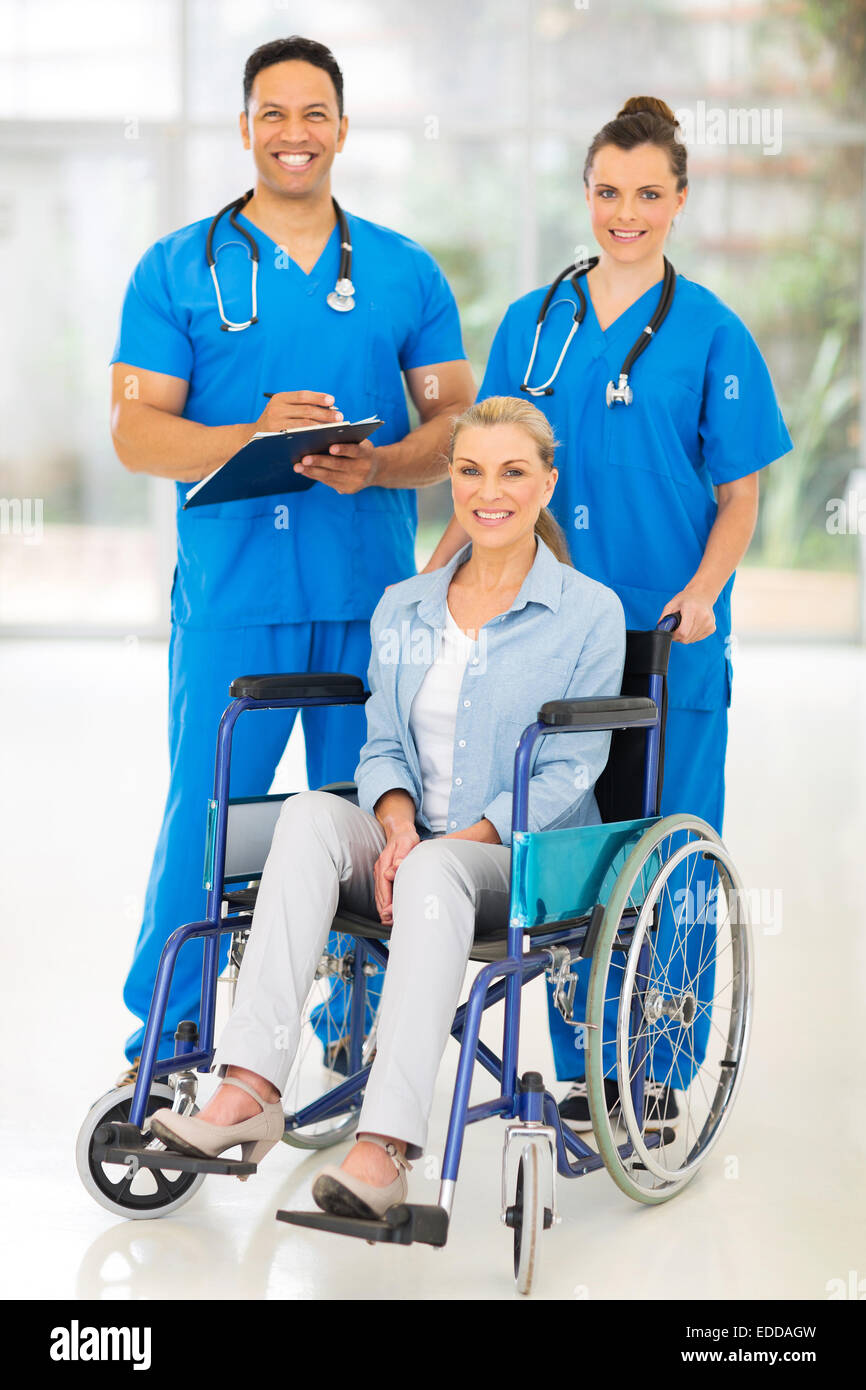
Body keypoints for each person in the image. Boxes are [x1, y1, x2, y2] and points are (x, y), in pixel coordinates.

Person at [146, 396, 626, 1215]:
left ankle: (387, 1144)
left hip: (517, 861)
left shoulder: (589, 612)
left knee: (441, 865)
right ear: (451, 480)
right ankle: (250, 1086)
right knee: (305, 815)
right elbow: (382, 745)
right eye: (471, 471)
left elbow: (570, 770)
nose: (490, 492)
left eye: (513, 472)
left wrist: (458, 838)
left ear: (547, 485)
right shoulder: (405, 606)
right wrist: (397, 822)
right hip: (415, 845)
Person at [109, 36, 475, 1083]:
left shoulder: (403, 271)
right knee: (209, 821)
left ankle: (354, 1027)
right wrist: (248, 435)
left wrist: (381, 466)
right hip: (234, 597)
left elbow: (450, 425)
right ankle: (171, 1039)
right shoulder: (177, 268)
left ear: (343, 130)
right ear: (245, 129)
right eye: (273, 113)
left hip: (368, 599)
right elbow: (137, 435)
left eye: (313, 113)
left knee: (367, 824)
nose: (294, 133)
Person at [423, 97, 793, 1130]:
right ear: (584, 194)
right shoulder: (531, 324)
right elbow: (484, 477)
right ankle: (586, 1070)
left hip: (666, 638)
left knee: (661, 851)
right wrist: (430, 582)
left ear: (678, 199)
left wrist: (703, 593)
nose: (622, 213)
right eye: (605, 192)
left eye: (644, 194)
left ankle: (659, 1065)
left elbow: (739, 498)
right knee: (566, 850)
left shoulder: (710, 333)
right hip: (545, 630)